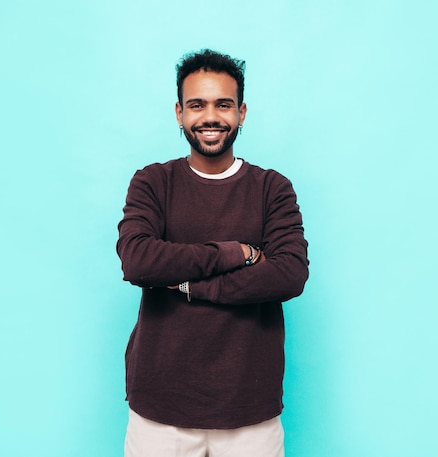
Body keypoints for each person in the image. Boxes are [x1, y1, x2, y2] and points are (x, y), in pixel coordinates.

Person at [116, 49, 309, 457]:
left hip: (249, 411)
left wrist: (186, 285)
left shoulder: (272, 188)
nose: (210, 117)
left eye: (223, 105)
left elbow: (289, 274)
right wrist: (236, 252)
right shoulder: (152, 182)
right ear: (179, 113)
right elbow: (137, 260)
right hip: (160, 411)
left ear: (241, 112)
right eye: (196, 104)